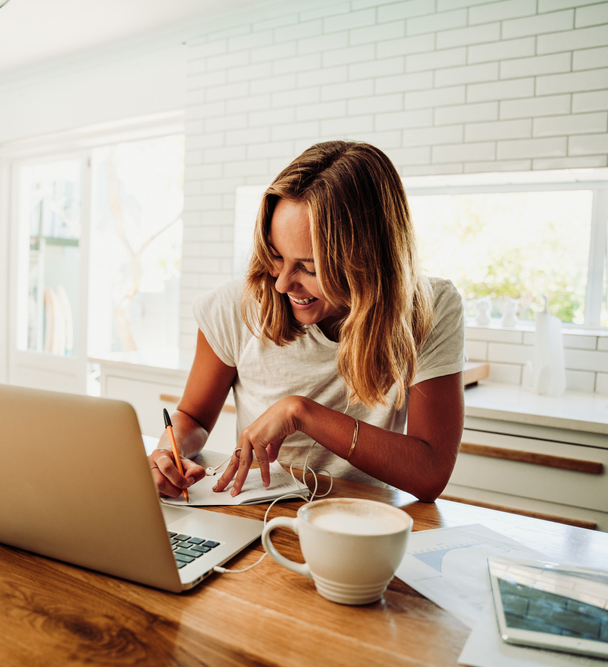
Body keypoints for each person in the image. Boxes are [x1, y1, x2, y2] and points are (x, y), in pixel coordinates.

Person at [149, 140, 465, 503]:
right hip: (255, 514)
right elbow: (193, 417)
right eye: (275, 256)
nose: (283, 283)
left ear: (369, 261)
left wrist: (302, 413)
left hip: (364, 526)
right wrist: (168, 454)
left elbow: (430, 474)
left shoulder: (428, 307)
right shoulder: (232, 307)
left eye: (310, 268)